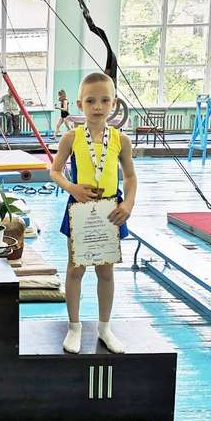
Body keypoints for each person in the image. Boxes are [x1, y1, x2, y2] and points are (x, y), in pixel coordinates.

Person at [50, 73, 137, 354]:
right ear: (79, 104)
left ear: (114, 103)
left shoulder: (121, 140)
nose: (97, 106)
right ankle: (74, 326)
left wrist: (128, 204)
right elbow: (54, 171)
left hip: (110, 211)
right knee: (76, 269)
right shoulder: (71, 137)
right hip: (81, 210)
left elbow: (130, 176)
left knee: (106, 271)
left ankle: (104, 327)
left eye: (104, 100)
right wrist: (72, 187)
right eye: (90, 101)